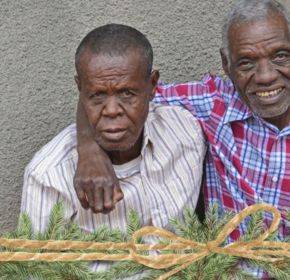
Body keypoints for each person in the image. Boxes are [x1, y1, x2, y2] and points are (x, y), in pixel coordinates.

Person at [75, 0, 290, 247]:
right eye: (246, 63)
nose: (265, 76)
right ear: (226, 64)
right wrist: (90, 151)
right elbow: (112, 93)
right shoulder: (213, 104)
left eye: (280, 56)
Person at [20, 24, 206, 275]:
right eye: (97, 96)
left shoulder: (185, 133)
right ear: (80, 90)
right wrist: (87, 148)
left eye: (126, 93)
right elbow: (34, 271)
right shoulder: (49, 176)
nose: (111, 110)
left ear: (153, 86)